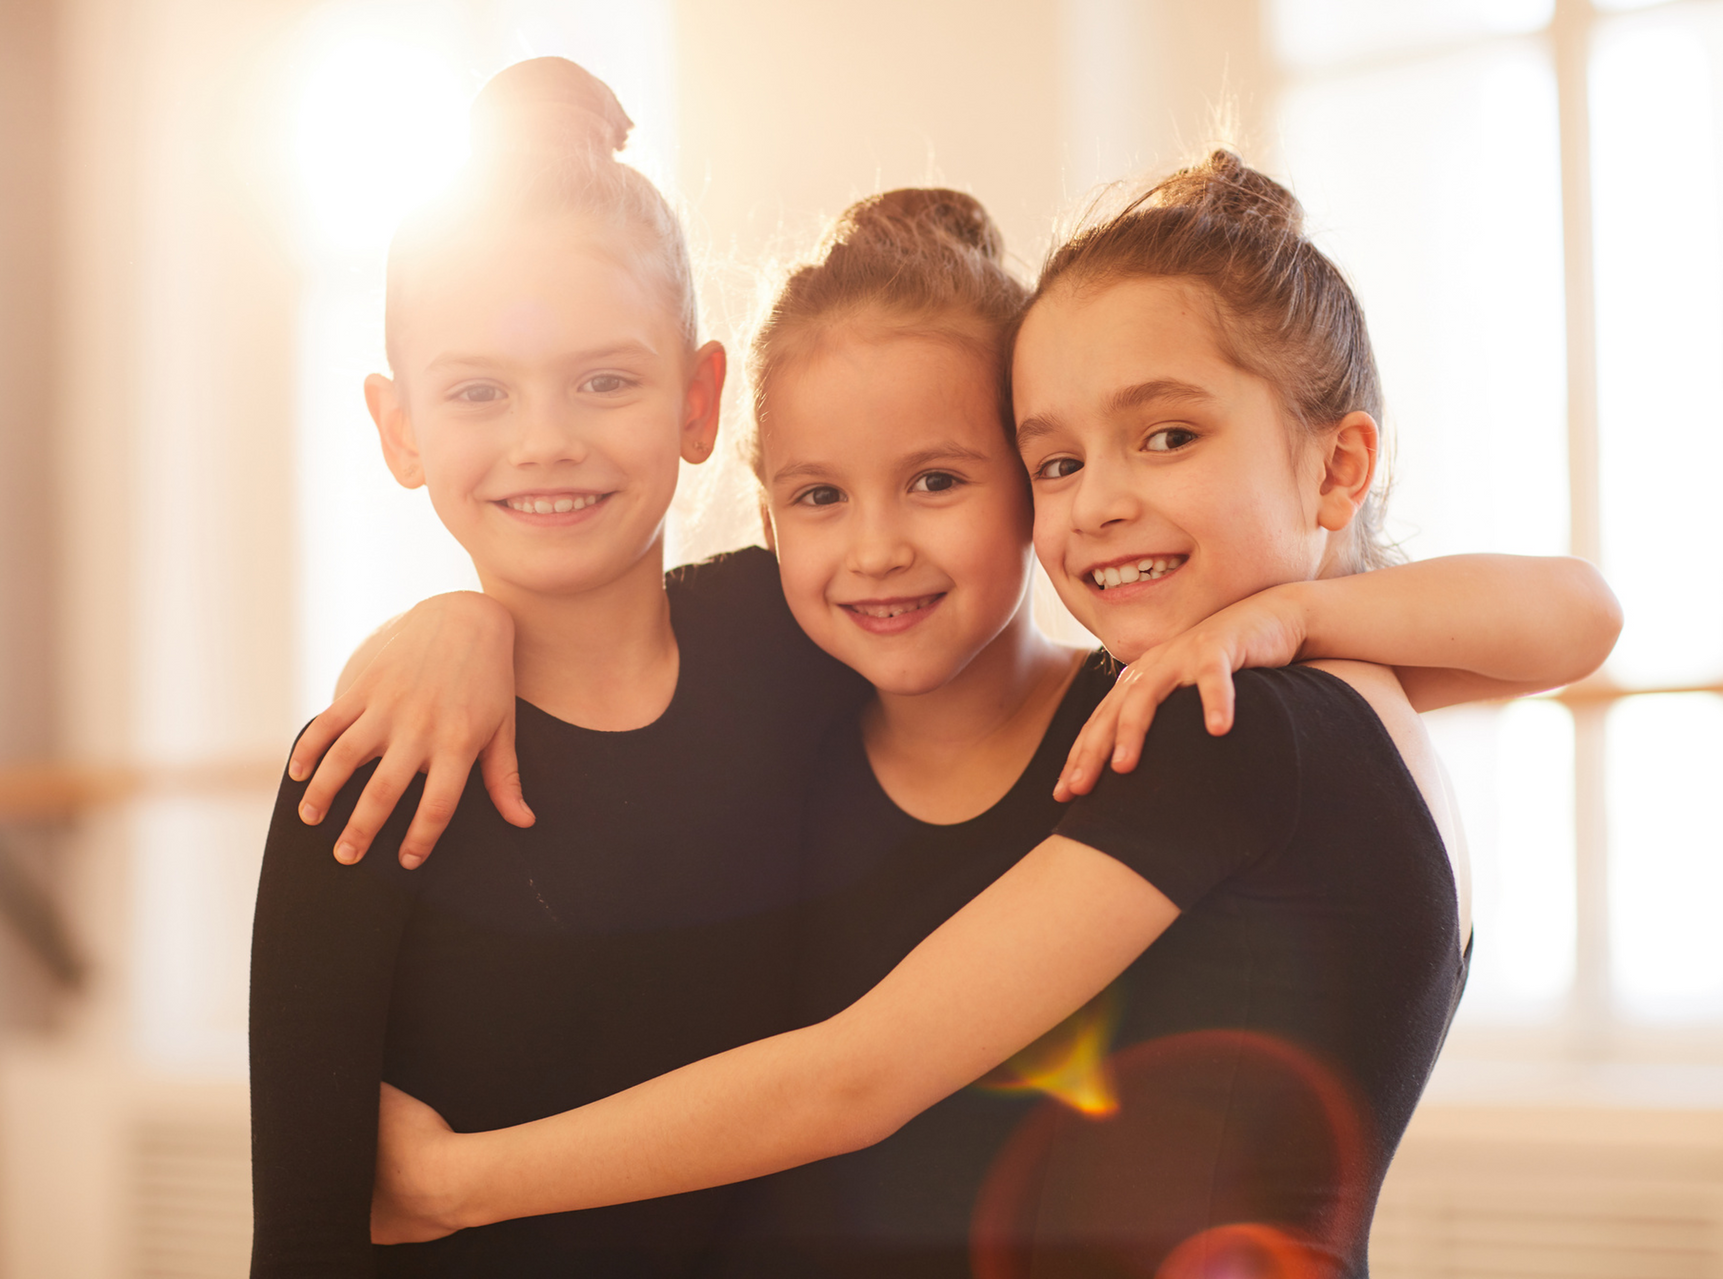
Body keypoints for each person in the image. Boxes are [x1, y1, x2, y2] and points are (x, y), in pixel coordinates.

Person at [351, 152, 1619, 1278]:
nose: (1102, 502)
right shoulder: (1292, 697)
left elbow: (861, 1075)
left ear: (1338, 461)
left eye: (1167, 435)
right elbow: (1558, 621)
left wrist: (454, 1181)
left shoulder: (1233, 719)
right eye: (1063, 460)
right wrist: (469, 620)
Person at [246, 58, 871, 1277]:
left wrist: (1265, 627)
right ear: (401, 429)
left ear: (699, 399)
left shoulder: (803, 635)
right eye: (480, 390)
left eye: (606, 380)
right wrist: (460, 617)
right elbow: (305, 1240)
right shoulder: (362, 779)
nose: (548, 439)